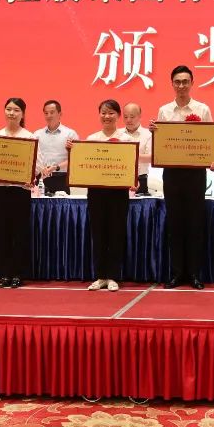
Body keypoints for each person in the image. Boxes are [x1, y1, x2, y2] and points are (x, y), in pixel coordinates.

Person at [153, 65, 214, 290]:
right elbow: (161, 143)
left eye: (185, 81)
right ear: (172, 84)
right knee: (175, 223)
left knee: (195, 223)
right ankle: (176, 273)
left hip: (195, 174)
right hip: (172, 173)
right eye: (177, 82)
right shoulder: (164, 111)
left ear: (192, 83)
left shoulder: (202, 109)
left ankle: (194, 274)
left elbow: (210, 139)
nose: (181, 85)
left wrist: (213, 160)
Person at [0, 97, 43, 289]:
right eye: (9, 109)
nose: (12, 113)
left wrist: (30, 175)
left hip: (20, 191)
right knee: (1, 232)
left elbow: (38, 165)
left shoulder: (30, 137)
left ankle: (18, 273)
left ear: (23, 114)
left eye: (16, 110)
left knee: (19, 232)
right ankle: (4, 273)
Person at [84, 100, 133, 291]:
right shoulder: (91, 138)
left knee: (116, 233)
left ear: (118, 116)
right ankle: (100, 276)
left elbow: (131, 164)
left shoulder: (126, 139)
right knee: (98, 234)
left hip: (118, 192)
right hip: (96, 192)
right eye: (103, 113)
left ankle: (113, 276)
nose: (107, 116)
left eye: (111, 113)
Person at [34, 100, 77, 195]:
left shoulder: (70, 134)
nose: (49, 115)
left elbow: (75, 159)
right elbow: (33, 158)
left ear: (60, 114)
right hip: (41, 178)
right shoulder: (37, 134)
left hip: (61, 179)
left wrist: (56, 167)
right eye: (46, 113)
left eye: (52, 112)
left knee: (62, 204)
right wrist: (41, 169)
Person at [119, 102, 153, 196]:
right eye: (125, 117)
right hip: (119, 177)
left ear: (140, 116)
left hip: (141, 179)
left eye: (132, 117)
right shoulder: (118, 134)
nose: (128, 120)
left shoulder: (148, 134)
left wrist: (129, 156)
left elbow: (151, 158)